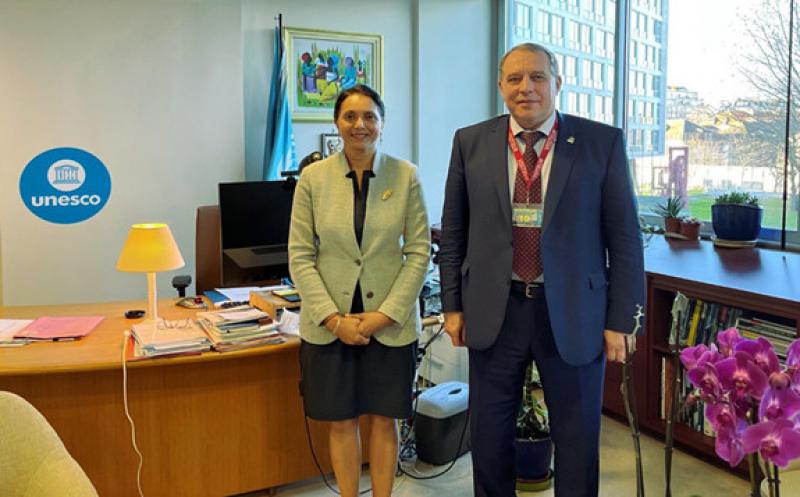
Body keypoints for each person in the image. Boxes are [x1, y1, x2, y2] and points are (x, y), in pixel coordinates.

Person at [438, 43, 645, 497]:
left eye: (537, 77)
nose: (525, 88)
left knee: (578, 438)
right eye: (514, 79)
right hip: (496, 309)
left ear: (557, 83)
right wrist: (452, 305)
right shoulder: (470, 142)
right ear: (500, 86)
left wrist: (622, 320)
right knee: (489, 437)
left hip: (573, 311)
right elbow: (454, 231)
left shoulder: (600, 143)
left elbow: (625, 237)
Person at [289, 84, 430, 497]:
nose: (360, 125)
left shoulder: (405, 175)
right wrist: (334, 320)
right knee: (341, 420)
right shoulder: (313, 179)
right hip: (330, 323)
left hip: (389, 322)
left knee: (385, 419)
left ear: (382, 124)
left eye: (369, 116)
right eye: (350, 116)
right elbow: (300, 256)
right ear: (337, 122)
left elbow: (419, 252)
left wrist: (384, 316)